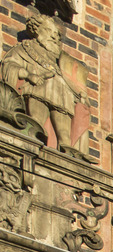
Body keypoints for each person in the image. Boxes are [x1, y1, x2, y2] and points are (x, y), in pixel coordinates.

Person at [1, 15, 85, 157]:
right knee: (36, 123)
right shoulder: (25, 48)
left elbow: (72, 77)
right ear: (37, 30)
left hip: (62, 93)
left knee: (64, 131)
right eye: (48, 30)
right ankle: (34, 141)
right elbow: (10, 64)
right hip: (38, 90)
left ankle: (66, 149)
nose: (53, 37)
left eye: (56, 34)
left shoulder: (60, 58)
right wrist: (28, 75)